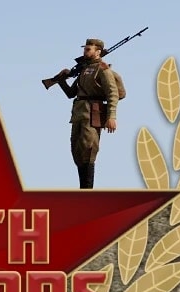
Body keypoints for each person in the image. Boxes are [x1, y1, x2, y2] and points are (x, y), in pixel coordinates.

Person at [58, 39, 121, 189]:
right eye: (84, 49)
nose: (84, 52)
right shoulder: (84, 69)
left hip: (94, 113)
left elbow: (113, 93)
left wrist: (112, 116)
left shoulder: (102, 69)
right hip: (78, 114)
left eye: (88, 49)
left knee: (88, 150)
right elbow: (71, 93)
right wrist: (61, 80)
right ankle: (83, 189)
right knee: (77, 151)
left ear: (98, 52)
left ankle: (87, 190)